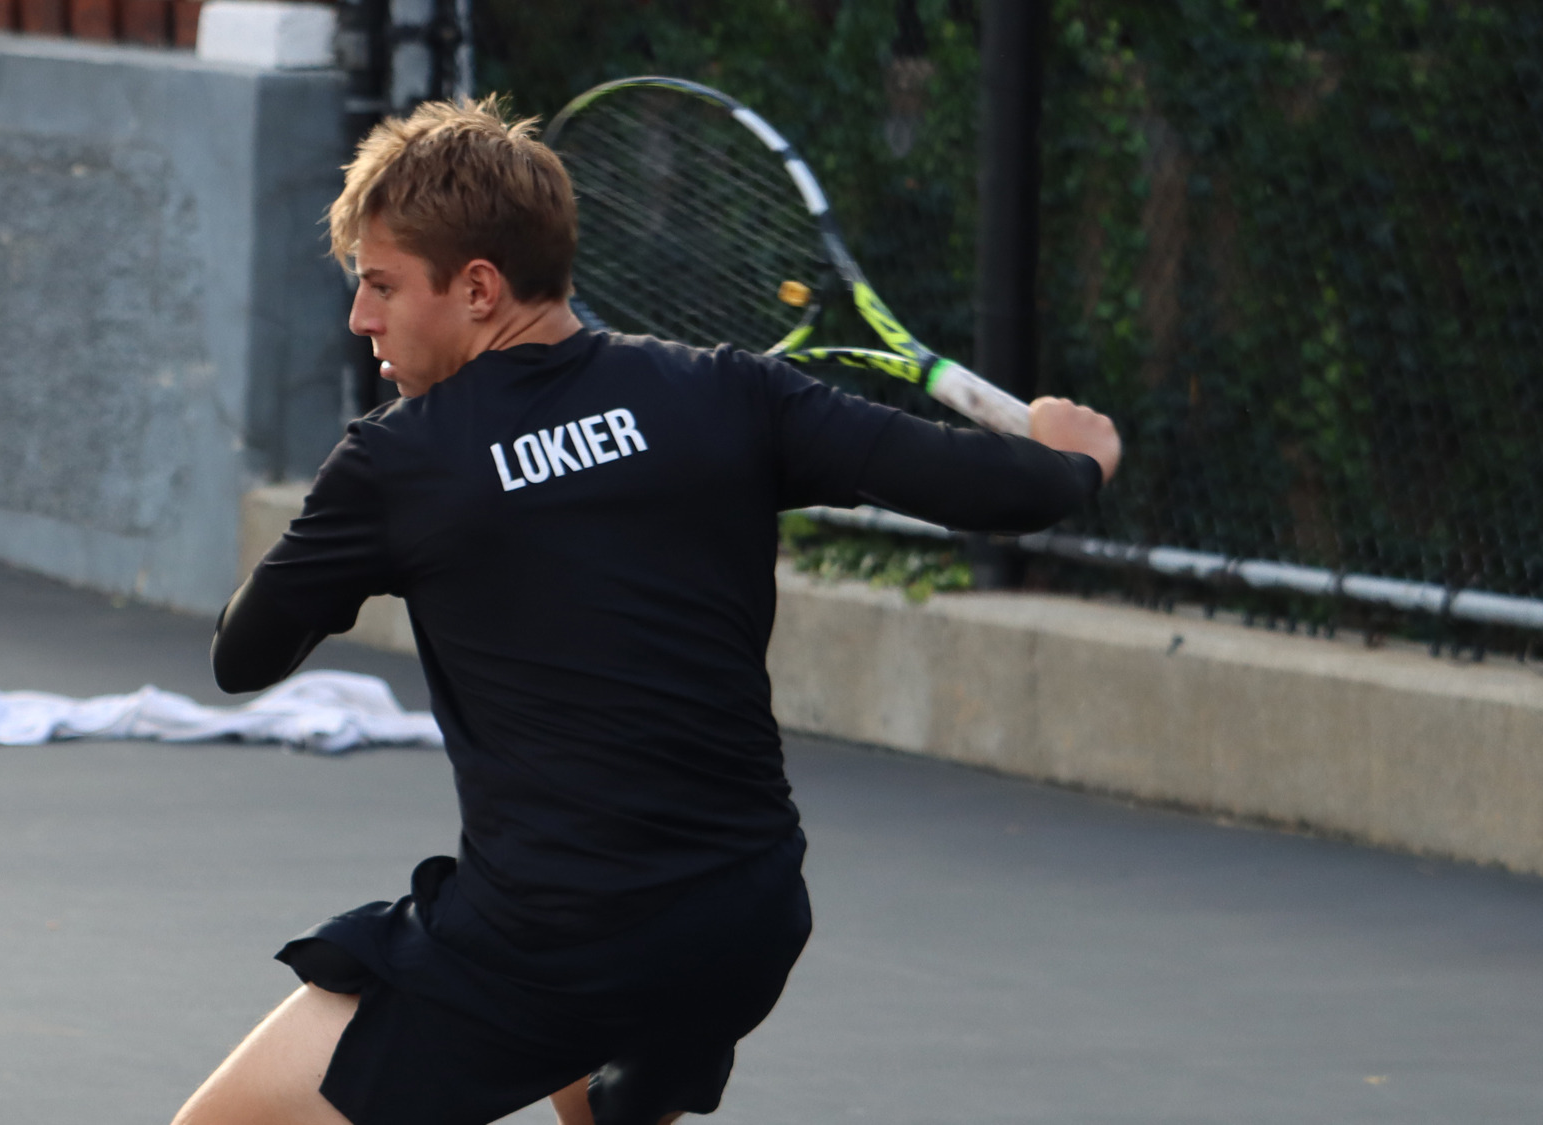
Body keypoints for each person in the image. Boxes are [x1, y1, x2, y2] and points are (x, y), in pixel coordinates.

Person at [171, 96, 1120, 1125]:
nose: (361, 320)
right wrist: (1074, 456)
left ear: (478, 289)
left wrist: (354, 528)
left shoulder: (398, 461)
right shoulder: (730, 396)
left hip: (554, 940)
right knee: (599, 1066)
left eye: (382, 286)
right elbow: (1012, 491)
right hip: (740, 921)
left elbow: (243, 656)